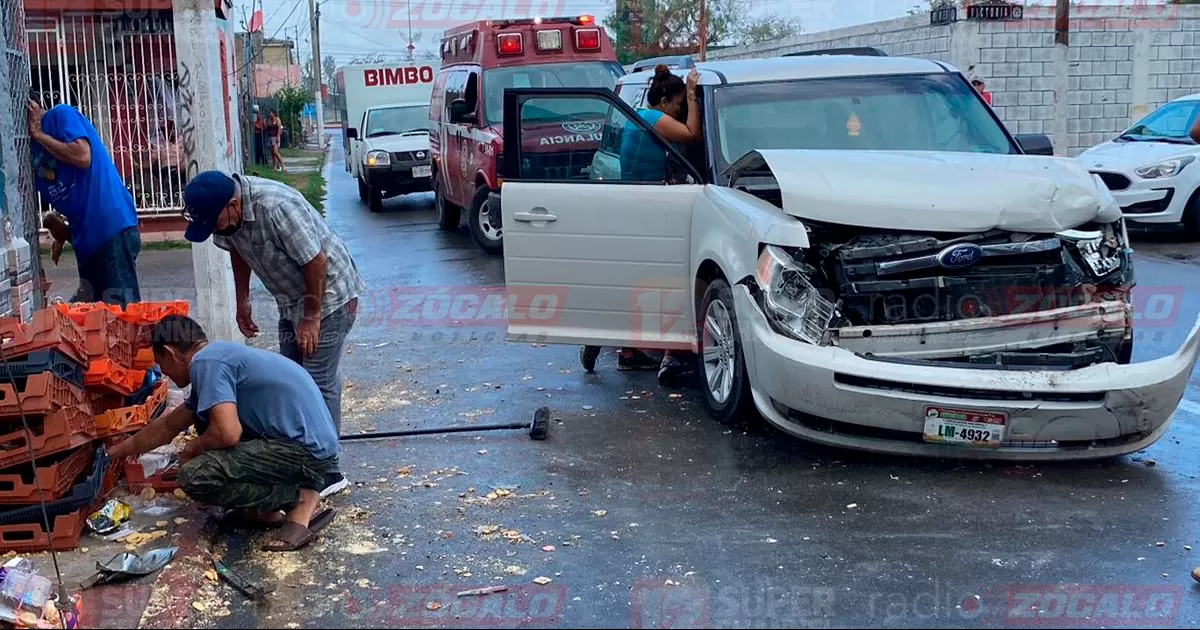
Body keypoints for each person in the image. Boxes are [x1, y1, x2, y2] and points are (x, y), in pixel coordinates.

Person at [181, 170, 364, 498]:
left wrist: (312, 316)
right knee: (291, 379)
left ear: (233, 205)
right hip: (290, 299)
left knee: (317, 381)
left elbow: (316, 261)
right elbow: (237, 250)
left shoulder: (276, 207)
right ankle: (296, 459)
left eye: (214, 222)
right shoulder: (229, 220)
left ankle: (327, 471)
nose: (215, 230)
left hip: (328, 296)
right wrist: (243, 299)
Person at [108, 315, 339, 552]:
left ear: (170, 352)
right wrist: (116, 452)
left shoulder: (206, 363)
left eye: (161, 364)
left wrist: (192, 448)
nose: (164, 372)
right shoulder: (216, 357)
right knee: (204, 421)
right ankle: (263, 511)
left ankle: (298, 497)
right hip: (308, 445)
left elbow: (228, 433)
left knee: (195, 475)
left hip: (305, 452)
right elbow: (169, 426)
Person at [580, 65, 703, 383]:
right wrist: (693, 94)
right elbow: (693, 134)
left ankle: (619, 345)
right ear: (664, 101)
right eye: (679, 104)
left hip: (632, 203)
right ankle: (669, 354)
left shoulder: (636, 115)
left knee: (634, 278)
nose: (681, 111)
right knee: (668, 277)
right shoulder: (654, 118)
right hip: (649, 206)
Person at [28, 100, 141, 306]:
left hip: (109, 225)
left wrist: (40, 135)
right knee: (97, 312)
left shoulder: (60, 116)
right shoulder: (27, 147)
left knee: (121, 310)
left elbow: (83, 156)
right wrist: (60, 228)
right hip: (85, 235)